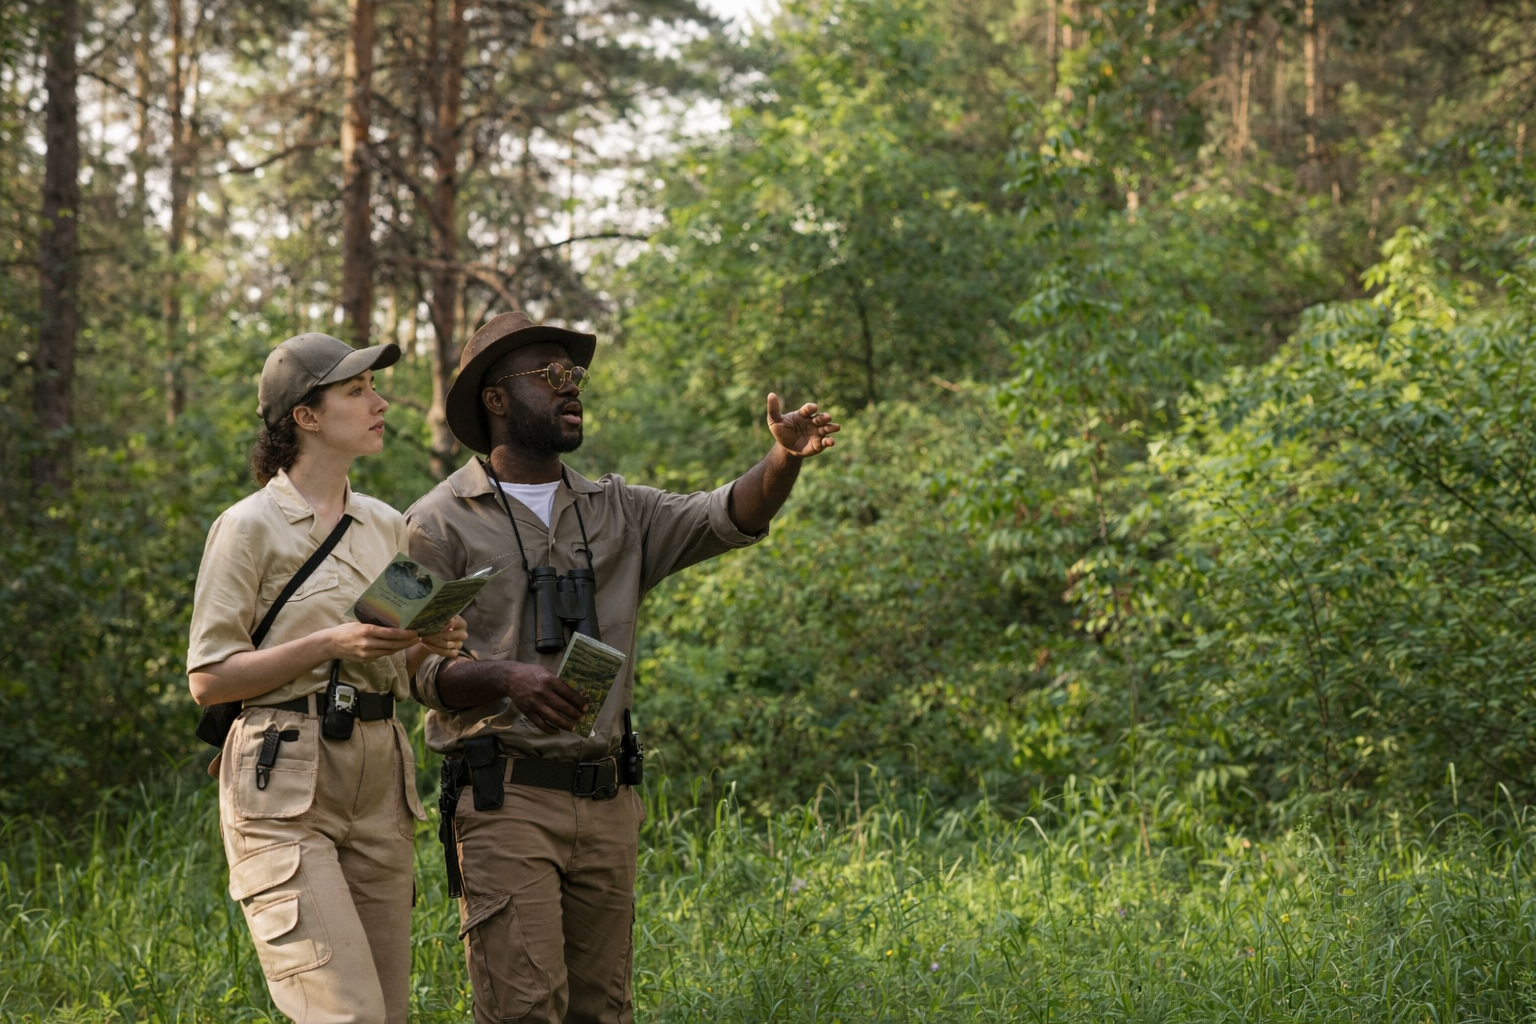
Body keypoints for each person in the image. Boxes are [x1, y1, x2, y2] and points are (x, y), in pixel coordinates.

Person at [405, 310, 840, 1024]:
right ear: (495, 399)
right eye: (548, 375)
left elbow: (725, 514)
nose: (570, 386)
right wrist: (505, 678)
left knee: (604, 1012)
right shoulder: (435, 521)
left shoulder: (619, 511)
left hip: (607, 801)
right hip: (503, 798)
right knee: (524, 1010)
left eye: (574, 374)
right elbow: (409, 665)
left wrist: (784, 459)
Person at [185, 332, 469, 1024]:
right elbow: (210, 678)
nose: (379, 402)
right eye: (357, 390)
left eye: (374, 388)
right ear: (305, 417)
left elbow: (402, 663)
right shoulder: (248, 526)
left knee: (387, 1015)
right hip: (283, 776)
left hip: (380, 779)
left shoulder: (387, 525)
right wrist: (328, 642)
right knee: (347, 1016)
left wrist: (432, 639)